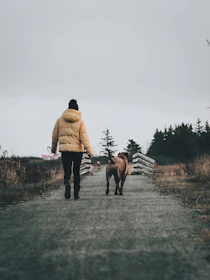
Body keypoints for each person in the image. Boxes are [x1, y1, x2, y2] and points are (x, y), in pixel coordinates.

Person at [51, 99, 93, 200]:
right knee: (76, 171)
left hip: (65, 150)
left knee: (67, 171)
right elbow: (84, 137)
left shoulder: (60, 120)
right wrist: (89, 150)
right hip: (77, 151)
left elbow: (55, 135)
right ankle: (76, 193)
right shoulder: (80, 121)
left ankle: (67, 185)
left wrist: (53, 148)